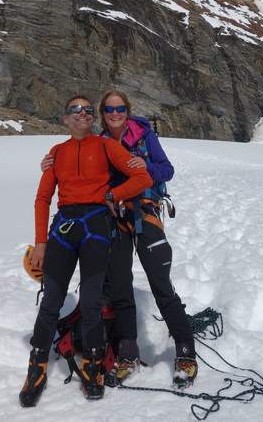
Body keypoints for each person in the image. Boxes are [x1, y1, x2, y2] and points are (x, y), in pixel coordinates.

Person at [40, 90, 199, 389]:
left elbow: (167, 170)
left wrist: (144, 166)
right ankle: (128, 353)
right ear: (102, 113)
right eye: (109, 109)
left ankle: (185, 350)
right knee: (120, 286)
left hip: (145, 213)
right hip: (115, 218)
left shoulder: (144, 135)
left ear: (127, 110)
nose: (115, 113)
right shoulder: (98, 142)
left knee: (161, 284)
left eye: (120, 108)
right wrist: (51, 164)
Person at [20, 95, 152, 408]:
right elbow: (42, 199)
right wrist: (40, 242)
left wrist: (112, 194)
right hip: (64, 229)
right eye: (76, 110)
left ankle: (93, 363)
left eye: (89, 110)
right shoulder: (56, 152)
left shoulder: (106, 146)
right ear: (65, 118)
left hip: (96, 224)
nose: (83, 113)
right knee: (52, 298)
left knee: (92, 299)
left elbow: (142, 177)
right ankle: (35, 368)